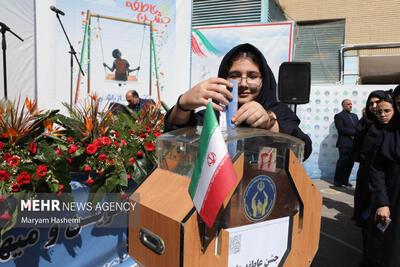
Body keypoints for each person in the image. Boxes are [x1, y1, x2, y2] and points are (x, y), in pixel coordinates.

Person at [164, 43, 312, 160]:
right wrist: (183, 104)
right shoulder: (215, 115)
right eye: (235, 76)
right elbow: (176, 133)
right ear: (224, 78)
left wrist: (270, 122)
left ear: (263, 80)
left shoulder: (278, 111)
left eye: (252, 76)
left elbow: (304, 149)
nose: (243, 84)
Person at [351, 91, 388, 265]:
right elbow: (358, 150)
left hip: (384, 180)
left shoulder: (389, 125)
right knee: (366, 218)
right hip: (366, 176)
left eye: (377, 103)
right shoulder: (364, 124)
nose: (374, 107)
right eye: (371, 103)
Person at [365, 96, 398, 267]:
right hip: (392, 196)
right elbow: (376, 169)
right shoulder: (388, 134)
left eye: (387, 111)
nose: (383, 115)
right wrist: (382, 202)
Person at [333, 99, 359, 187]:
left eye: (351, 104)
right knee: (342, 163)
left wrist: (357, 134)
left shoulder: (355, 116)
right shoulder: (338, 116)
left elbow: (359, 128)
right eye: (348, 104)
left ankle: (345, 181)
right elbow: (341, 129)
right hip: (344, 143)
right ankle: (337, 181)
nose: (350, 106)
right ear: (343, 106)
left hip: (354, 144)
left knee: (350, 163)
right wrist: (354, 133)